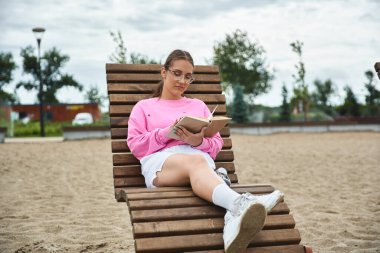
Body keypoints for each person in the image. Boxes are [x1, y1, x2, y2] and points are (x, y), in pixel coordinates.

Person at [127, 49, 284, 252]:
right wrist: (166, 133)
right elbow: (136, 145)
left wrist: (198, 141)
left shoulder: (198, 105)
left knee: (200, 161)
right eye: (177, 73)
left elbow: (216, 145)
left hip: (199, 161)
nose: (182, 80)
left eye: (188, 76)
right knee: (199, 163)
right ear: (163, 72)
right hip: (162, 164)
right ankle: (240, 203)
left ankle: (232, 221)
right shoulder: (144, 106)